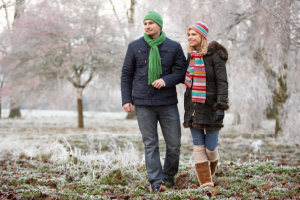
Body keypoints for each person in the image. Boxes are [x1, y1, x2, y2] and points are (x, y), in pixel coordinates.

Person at [121, 10, 188, 193]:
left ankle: (168, 177)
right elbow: (127, 74)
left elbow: (182, 72)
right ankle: (156, 183)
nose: (147, 26)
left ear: (159, 25)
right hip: (143, 103)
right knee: (150, 144)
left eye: (151, 23)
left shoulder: (173, 47)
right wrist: (126, 99)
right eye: (145, 23)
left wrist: (166, 80)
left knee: (174, 144)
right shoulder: (135, 46)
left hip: (167, 103)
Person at [183, 21, 229, 188]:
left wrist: (221, 105)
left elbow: (222, 82)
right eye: (188, 34)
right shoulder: (191, 56)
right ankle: (206, 182)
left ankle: (210, 171)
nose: (190, 37)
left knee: (210, 147)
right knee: (198, 145)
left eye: (193, 34)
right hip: (193, 106)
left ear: (202, 36)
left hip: (210, 107)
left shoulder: (215, 56)